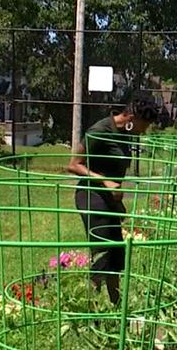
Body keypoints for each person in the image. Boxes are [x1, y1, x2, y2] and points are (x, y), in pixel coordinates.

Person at [66, 91, 162, 304]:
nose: (143, 131)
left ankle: (116, 306)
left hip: (109, 200)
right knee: (105, 252)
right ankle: (88, 305)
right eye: (143, 125)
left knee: (117, 254)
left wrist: (118, 203)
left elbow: (116, 174)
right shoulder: (101, 130)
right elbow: (74, 164)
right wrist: (104, 181)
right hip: (91, 196)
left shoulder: (126, 134)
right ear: (131, 117)